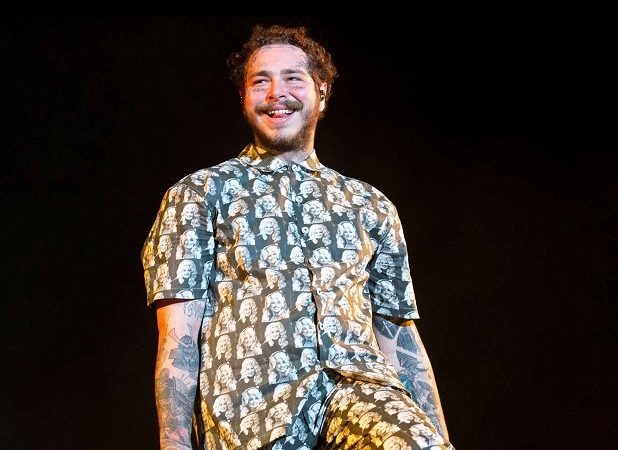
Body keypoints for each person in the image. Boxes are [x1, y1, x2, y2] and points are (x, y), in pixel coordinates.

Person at [142, 24, 454, 450]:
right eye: (260, 82)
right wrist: (174, 445)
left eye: (293, 78)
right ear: (244, 97)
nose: (276, 93)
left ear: (322, 91)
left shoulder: (370, 205)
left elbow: (400, 339)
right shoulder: (199, 194)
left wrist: (436, 438)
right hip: (251, 415)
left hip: (358, 390)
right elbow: (177, 339)